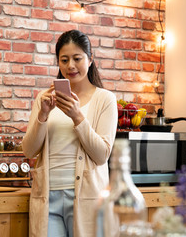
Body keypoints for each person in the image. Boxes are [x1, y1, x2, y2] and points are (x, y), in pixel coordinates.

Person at [22, 30, 118, 237]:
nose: (70, 66)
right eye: (64, 60)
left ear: (90, 59)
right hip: (47, 197)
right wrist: (43, 115)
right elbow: (29, 150)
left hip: (88, 198)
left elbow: (102, 155)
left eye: (77, 58)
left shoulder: (105, 99)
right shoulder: (44, 98)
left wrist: (77, 116)